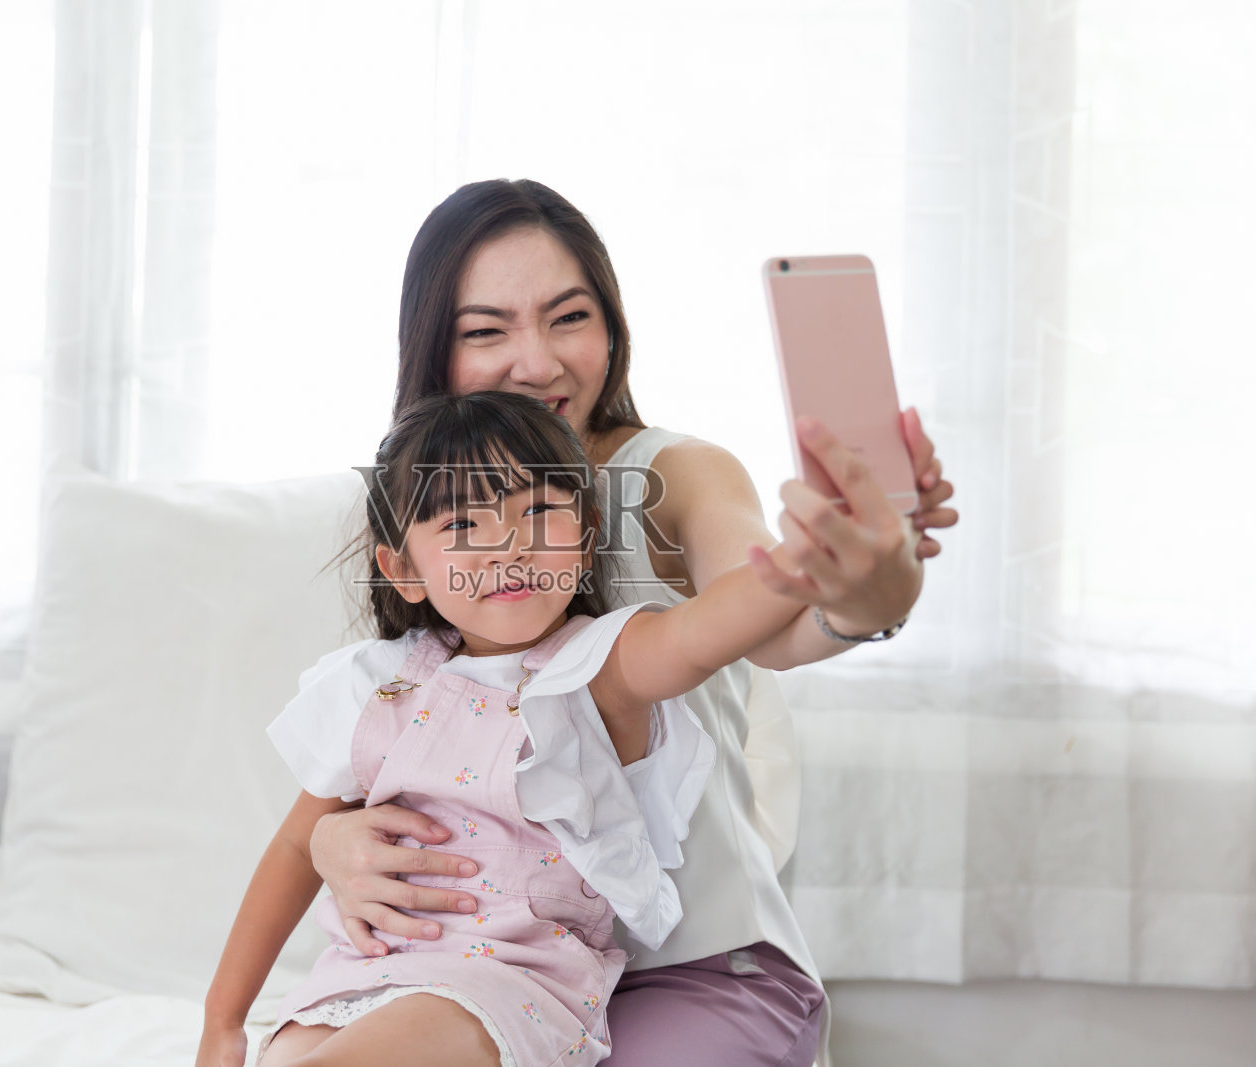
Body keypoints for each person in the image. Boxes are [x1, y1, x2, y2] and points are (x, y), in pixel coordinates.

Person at [305, 179, 959, 1067]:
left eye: (569, 317)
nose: (537, 363)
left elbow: (768, 616)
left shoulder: (674, 472)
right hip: (491, 968)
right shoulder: (428, 501)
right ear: (433, 348)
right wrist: (330, 839)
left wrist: (859, 596)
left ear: (612, 328)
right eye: (487, 330)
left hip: (695, 969)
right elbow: (408, 739)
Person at [194, 390, 923, 1067]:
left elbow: (703, 631)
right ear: (403, 570)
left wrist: (816, 555)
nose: (507, 547)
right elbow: (297, 844)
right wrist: (223, 1018)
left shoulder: (600, 666)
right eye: (462, 525)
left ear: (587, 535)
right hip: (359, 973)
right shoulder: (377, 683)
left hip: (506, 984)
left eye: (540, 512)